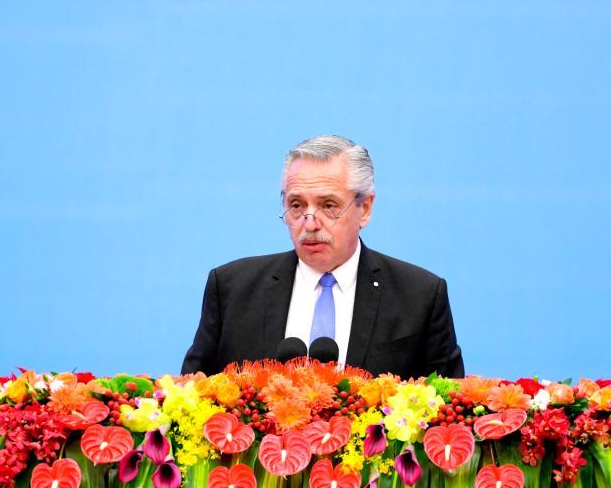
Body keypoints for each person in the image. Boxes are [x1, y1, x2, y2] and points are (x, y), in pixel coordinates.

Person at [181, 135, 464, 379]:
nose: (310, 223)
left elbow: (448, 410)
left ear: (365, 209)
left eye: (328, 205)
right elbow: (190, 400)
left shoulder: (420, 296)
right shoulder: (232, 289)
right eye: (296, 205)